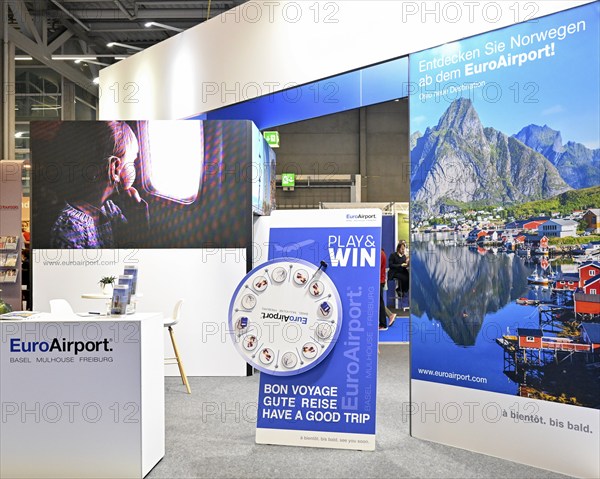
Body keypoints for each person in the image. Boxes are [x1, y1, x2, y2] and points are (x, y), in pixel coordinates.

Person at [48, 121, 147, 248]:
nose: (135, 168)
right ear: (115, 168)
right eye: (132, 161)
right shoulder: (68, 228)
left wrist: (137, 209)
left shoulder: (110, 209)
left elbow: (131, 243)